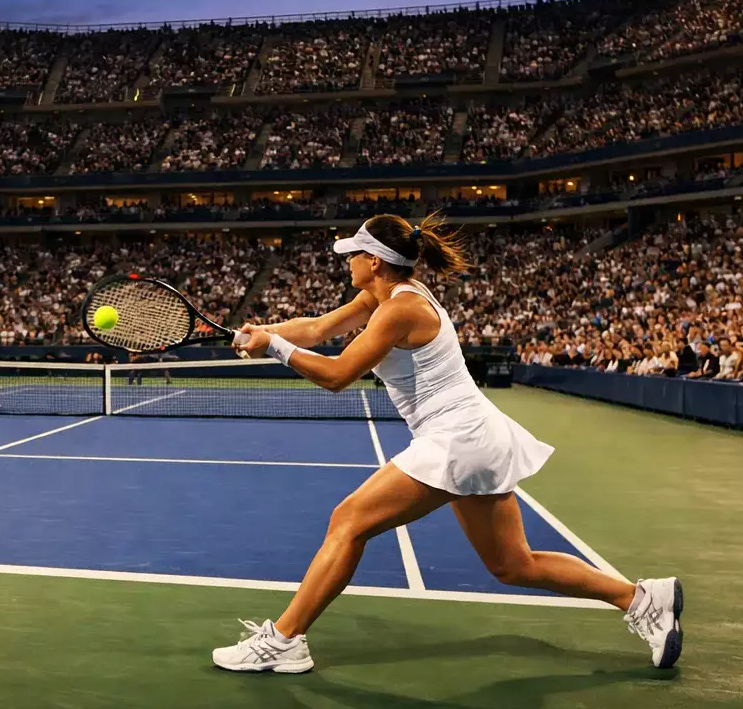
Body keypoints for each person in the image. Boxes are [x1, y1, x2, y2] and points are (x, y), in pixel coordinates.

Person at [213, 213, 682, 675]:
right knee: (513, 565)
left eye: (354, 254)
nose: (348, 261)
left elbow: (337, 375)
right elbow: (316, 329)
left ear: (375, 261)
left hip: (457, 438)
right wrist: (263, 332)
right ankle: (642, 598)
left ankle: (284, 640)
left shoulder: (400, 309)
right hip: (476, 435)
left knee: (348, 522)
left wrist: (274, 349)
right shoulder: (385, 296)